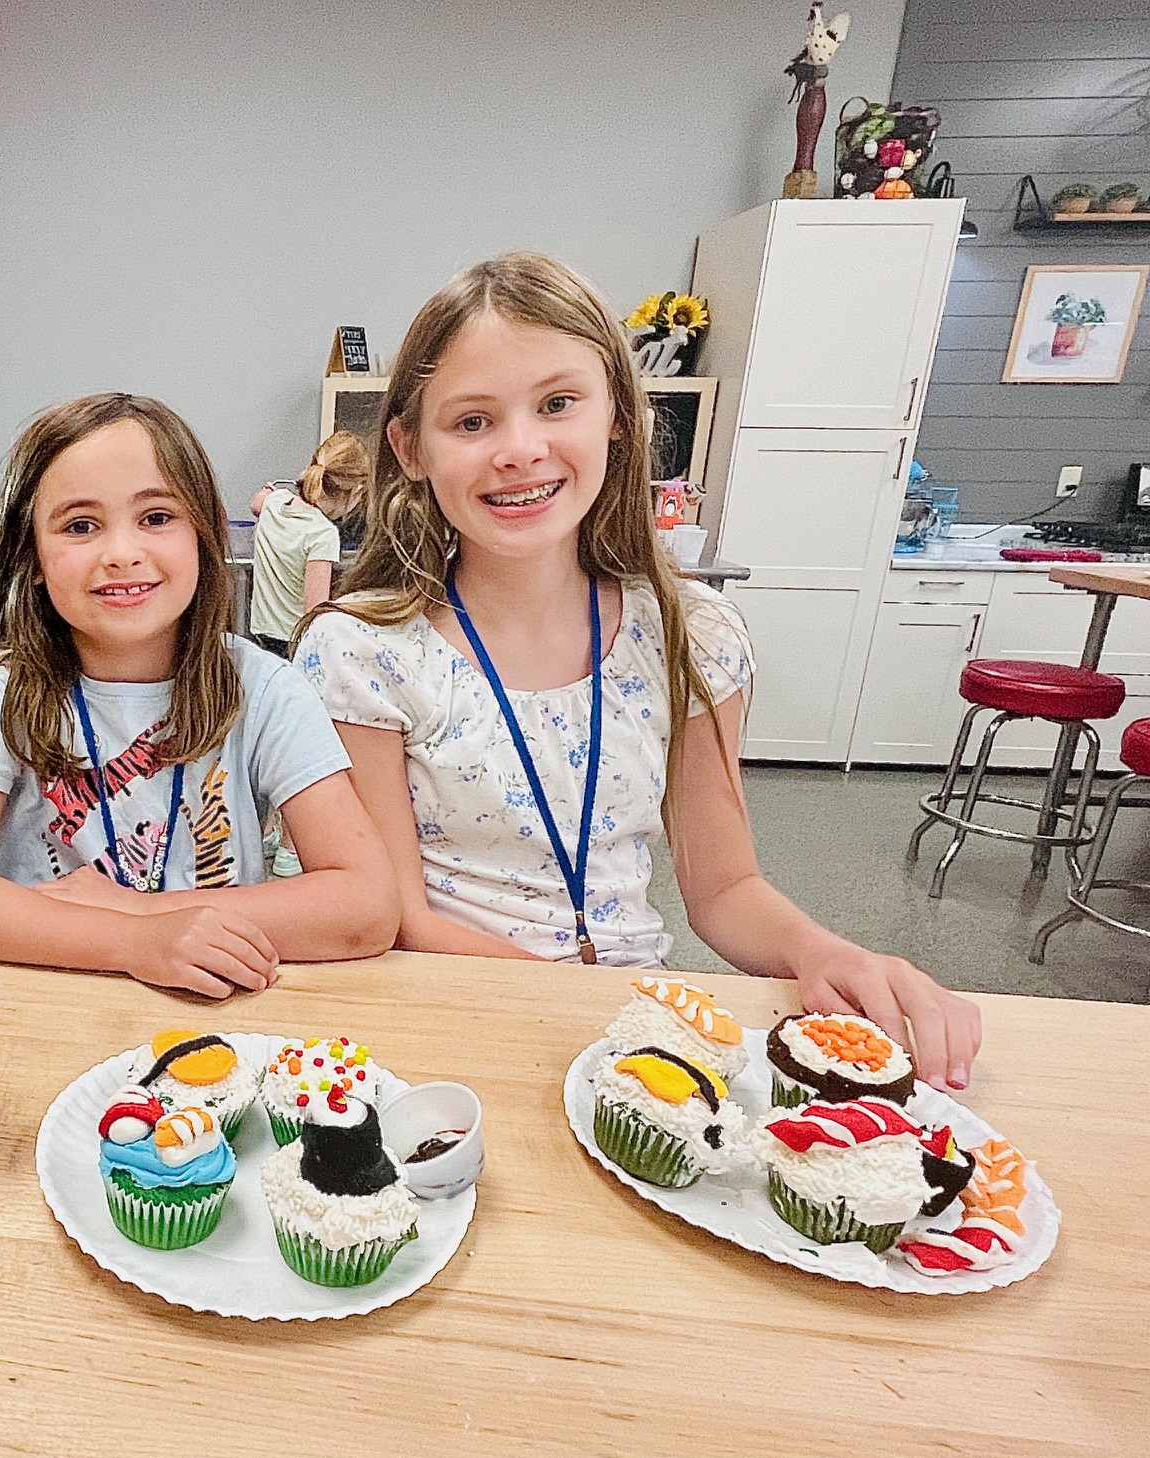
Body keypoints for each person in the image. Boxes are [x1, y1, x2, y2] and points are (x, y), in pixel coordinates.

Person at [295, 253, 981, 1091]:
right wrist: (585, 1013)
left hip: (633, 1030)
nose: (520, 449)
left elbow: (724, 885)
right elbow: (399, 914)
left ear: (618, 412)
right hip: (451, 1022)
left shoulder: (693, 635)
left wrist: (823, 952)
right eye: (472, 422)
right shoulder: (364, 652)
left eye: (557, 404)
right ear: (410, 447)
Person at [0, 392, 396, 998]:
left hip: (220, 1012)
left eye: (156, 518)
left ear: (204, 533)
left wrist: (139, 911)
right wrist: (132, 942)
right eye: (81, 526)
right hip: (54, 999)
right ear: (31, 557)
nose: (122, 554)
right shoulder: (2, 690)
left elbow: (366, 904)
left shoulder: (266, 690)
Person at [247, 430, 369, 657]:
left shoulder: (274, 501)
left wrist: (267, 491)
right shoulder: (323, 533)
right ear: (356, 491)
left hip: (259, 637)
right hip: (293, 645)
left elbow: (256, 504)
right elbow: (315, 612)